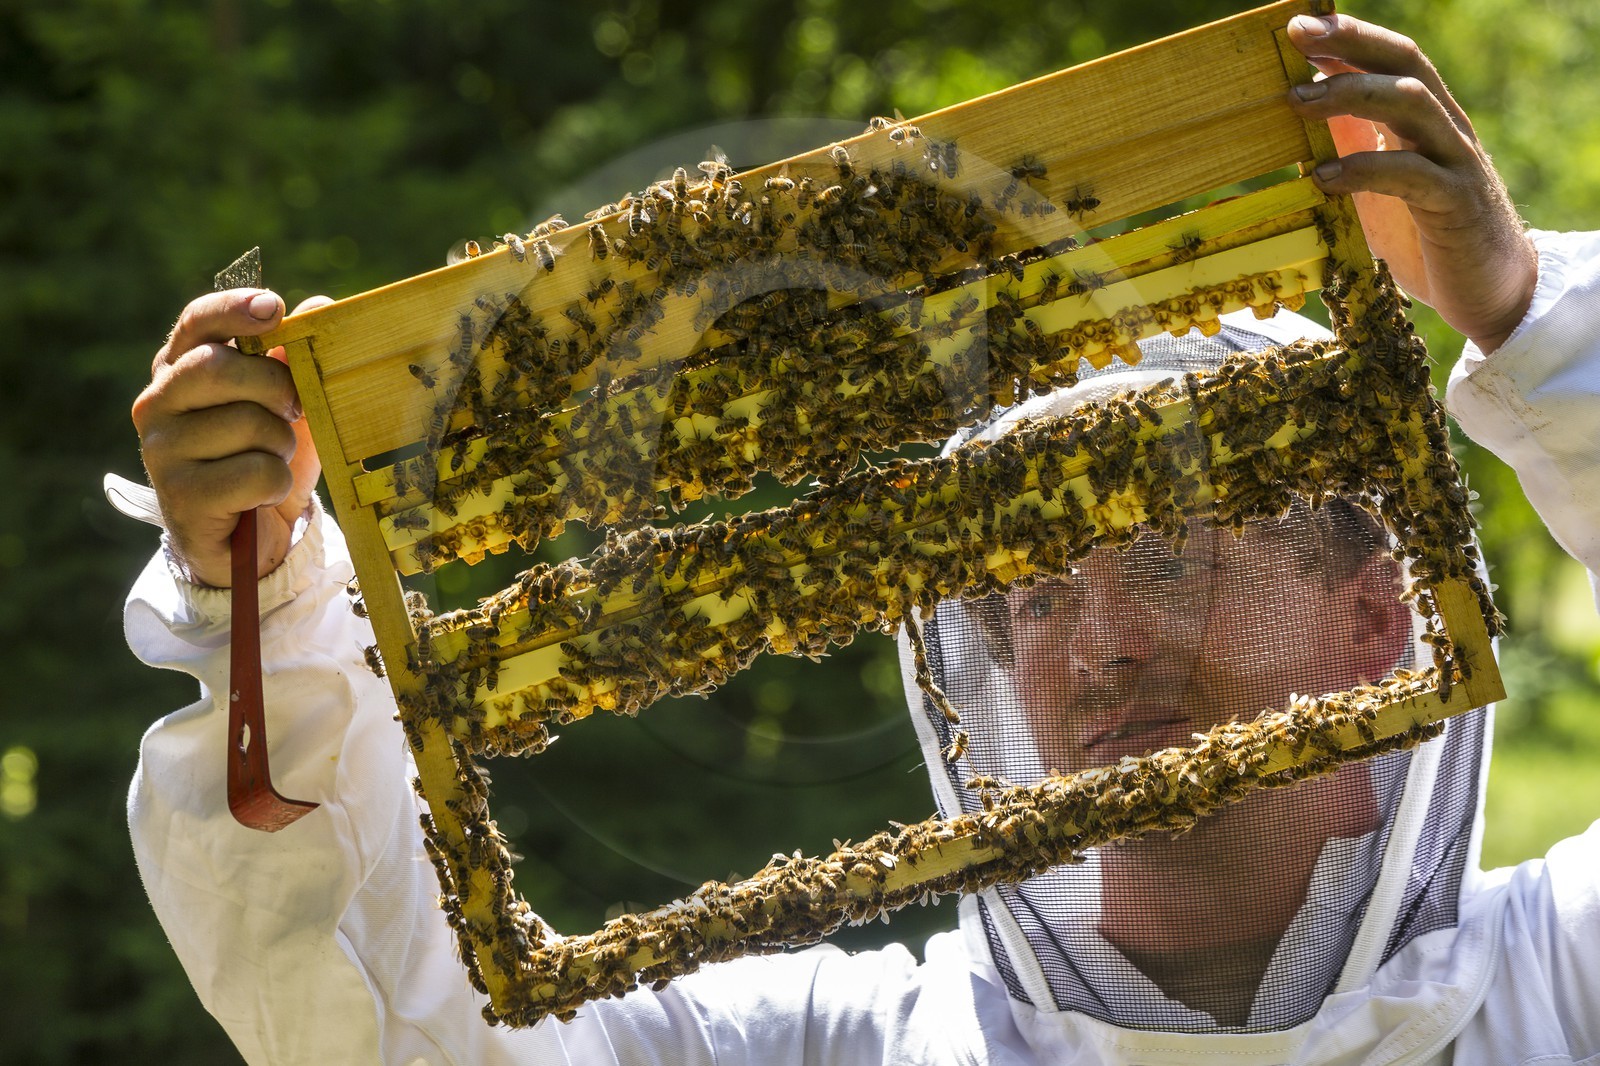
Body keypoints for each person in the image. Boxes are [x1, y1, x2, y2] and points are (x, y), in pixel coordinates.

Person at [125, 13, 1600, 1064]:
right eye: (1022, 588)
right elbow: (393, 1032)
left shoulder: (1564, 989)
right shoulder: (840, 1048)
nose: (1096, 642)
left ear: (1375, 610)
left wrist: (1533, 322)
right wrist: (261, 604)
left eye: (1166, 549)